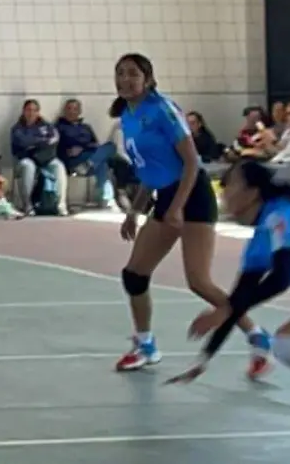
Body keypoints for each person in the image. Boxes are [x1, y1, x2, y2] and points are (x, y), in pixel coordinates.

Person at [111, 52, 272, 376]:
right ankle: (146, 345)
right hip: (167, 196)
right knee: (134, 274)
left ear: (148, 79)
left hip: (193, 194)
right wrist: (135, 212)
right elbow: (149, 170)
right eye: (120, 73)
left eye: (133, 74)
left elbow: (190, 162)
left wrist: (176, 207)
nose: (125, 79)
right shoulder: (127, 116)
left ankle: (257, 336)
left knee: (198, 281)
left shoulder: (163, 110)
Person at [170, 161, 290, 393]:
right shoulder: (259, 242)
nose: (224, 192)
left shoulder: (281, 216)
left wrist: (223, 311)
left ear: (252, 193)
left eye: (231, 185)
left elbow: (281, 277)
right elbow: (238, 301)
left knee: (289, 344)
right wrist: (203, 359)